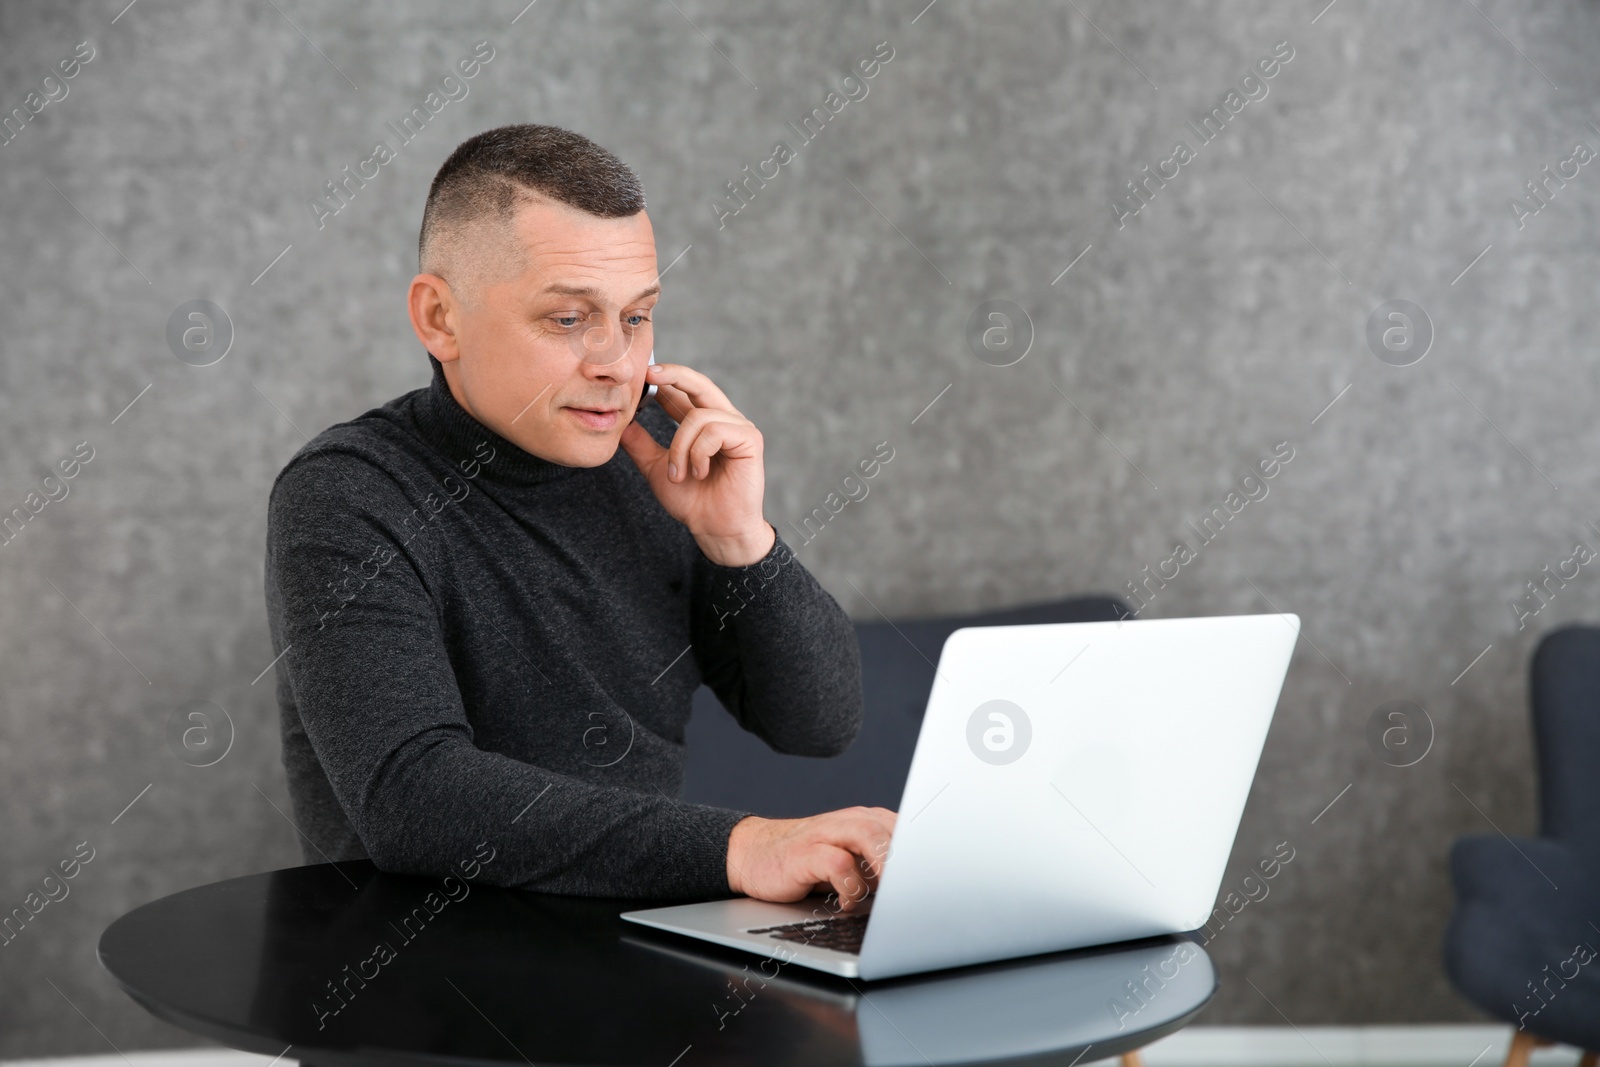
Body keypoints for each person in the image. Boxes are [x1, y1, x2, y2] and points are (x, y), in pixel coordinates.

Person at [263, 123, 896, 910]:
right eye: (568, 319)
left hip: (645, 953)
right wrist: (741, 845)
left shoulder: (656, 456)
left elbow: (820, 723)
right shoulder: (348, 492)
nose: (617, 363)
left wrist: (739, 538)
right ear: (439, 319)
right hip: (421, 994)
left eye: (636, 317)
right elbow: (412, 796)